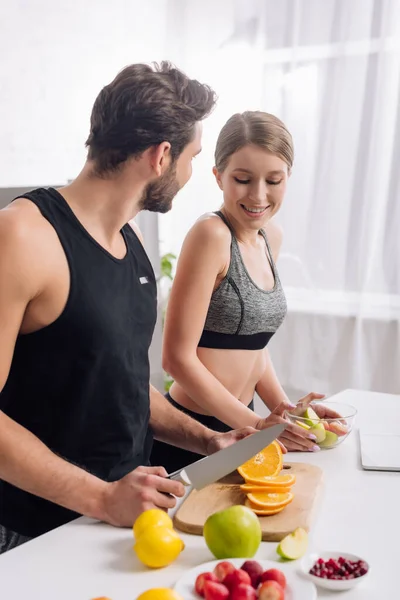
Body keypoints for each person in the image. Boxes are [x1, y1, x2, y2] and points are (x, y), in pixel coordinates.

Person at [0, 64, 292, 555]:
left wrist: (206, 440)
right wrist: (101, 496)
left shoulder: (131, 242)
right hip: (32, 533)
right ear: (161, 157)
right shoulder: (22, 237)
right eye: (193, 157)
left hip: (124, 522)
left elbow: (125, 381)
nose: (190, 173)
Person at [151, 111, 339, 473]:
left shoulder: (271, 237)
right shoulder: (211, 235)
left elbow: (254, 347)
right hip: (195, 431)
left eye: (273, 180)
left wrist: (286, 413)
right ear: (218, 176)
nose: (258, 195)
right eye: (242, 179)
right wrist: (258, 427)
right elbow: (176, 359)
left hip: (244, 422)